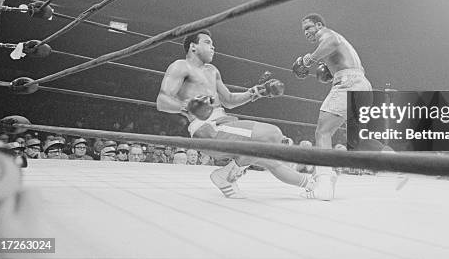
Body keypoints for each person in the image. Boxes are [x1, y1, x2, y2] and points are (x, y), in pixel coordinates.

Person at [156, 29, 317, 198]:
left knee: (272, 162)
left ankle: (311, 185)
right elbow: (162, 101)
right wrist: (188, 106)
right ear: (193, 47)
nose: (213, 47)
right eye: (207, 42)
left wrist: (256, 92)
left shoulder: (212, 71)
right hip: (207, 128)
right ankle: (225, 176)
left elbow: (229, 100)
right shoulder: (180, 66)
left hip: (224, 124)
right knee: (272, 134)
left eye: (212, 44)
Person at [292, 13, 380, 200]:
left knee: (322, 132)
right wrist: (329, 71)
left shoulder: (327, 34)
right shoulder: (337, 42)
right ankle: (396, 160)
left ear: (319, 25)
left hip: (349, 82)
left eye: (308, 27)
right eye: (303, 30)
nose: (306, 33)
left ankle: (324, 185)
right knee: (357, 139)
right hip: (362, 83)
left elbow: (332, 42)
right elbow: (338, 55)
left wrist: (308, 59)